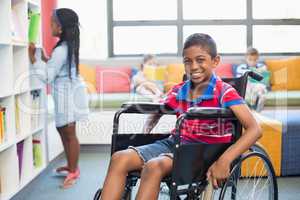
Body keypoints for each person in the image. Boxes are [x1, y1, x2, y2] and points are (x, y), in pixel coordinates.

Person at [99, 33, 262, 200]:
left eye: (200, 60)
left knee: (153, 166)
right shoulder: (179, 89)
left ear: (215, 61)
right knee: (119, 158)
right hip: (174, 143)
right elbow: (161, 108)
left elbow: (255, 129)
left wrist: (225, 160)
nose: (194, 66)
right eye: (188, 61)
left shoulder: (224, 91)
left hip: (203, 151)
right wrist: (147, 128)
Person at [28, 8, 89, 189]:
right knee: (63, 130)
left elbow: (47, 77)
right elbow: (58, 67)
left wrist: (34, 60)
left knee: (69, 134)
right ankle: (71, 166)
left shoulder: (62, 50)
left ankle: (74, 171)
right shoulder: (65, 48)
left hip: (67, 96)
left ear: (60, 28)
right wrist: (47, 60)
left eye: (52, 23)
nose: (50, 25)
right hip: (69, 93)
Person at [235, 47, 270, 112]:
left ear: (258, 59)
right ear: (246, 59)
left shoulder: (262, 66)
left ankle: (257, 112)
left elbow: (264, 81)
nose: (253, 62)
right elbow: (239, 81)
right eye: (250, 59)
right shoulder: (241, 67)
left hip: (258, 87)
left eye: (255, 60)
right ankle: (250, 110)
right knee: (247, 86)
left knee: (262, 93)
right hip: (247, 87)